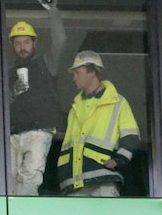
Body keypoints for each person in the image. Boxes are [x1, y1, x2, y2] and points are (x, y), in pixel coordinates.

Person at [57, 51, 140, 197]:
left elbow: (131, 137)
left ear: (92, 72)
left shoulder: (117, 102)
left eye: (77, 72)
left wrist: (118, 161)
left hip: (103, 181)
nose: (74, 78)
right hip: (74, 184)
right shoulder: (75, 107)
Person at [8, 0, 66, 195]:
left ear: (34, 43)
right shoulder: (9, 71)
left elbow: (60, 40)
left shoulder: (45, 64)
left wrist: (52, 12)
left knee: (30, 176)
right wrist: (13, 94)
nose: (22, 47)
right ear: (12, 46)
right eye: (17, 43)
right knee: (10, 181)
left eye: (26, 42)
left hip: (39, 130)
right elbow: (1, 103)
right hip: (14, 132)